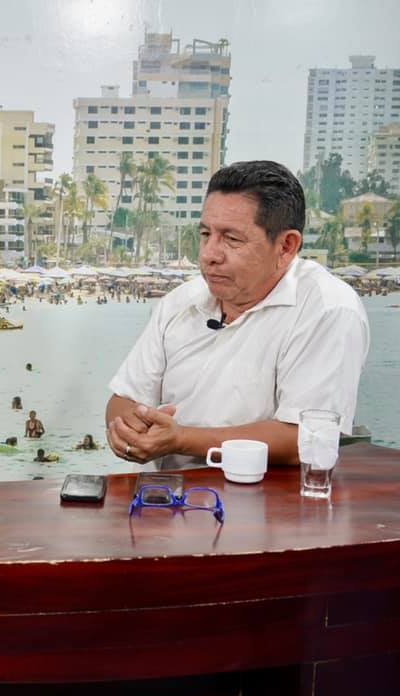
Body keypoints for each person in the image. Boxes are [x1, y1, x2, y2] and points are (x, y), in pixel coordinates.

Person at [105, 160, 369, 471]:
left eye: (232, 239)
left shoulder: (327, 308)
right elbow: (124, 398)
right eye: (205, 234)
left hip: (273, 497)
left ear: (286, 246)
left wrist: (181, 439)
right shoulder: (180, 302)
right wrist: (128, 428)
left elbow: (305, 439)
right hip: (174, 494)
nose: (209, 254)